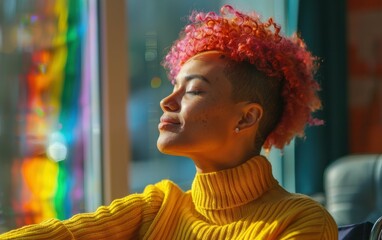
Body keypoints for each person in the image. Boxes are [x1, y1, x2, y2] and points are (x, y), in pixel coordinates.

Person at [0, 5, 337, 239]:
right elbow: (63, 235)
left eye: (192, 91)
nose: (167, 101)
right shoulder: (157, 207)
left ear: (247, 117)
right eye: (174, 85)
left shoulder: (301, 220)